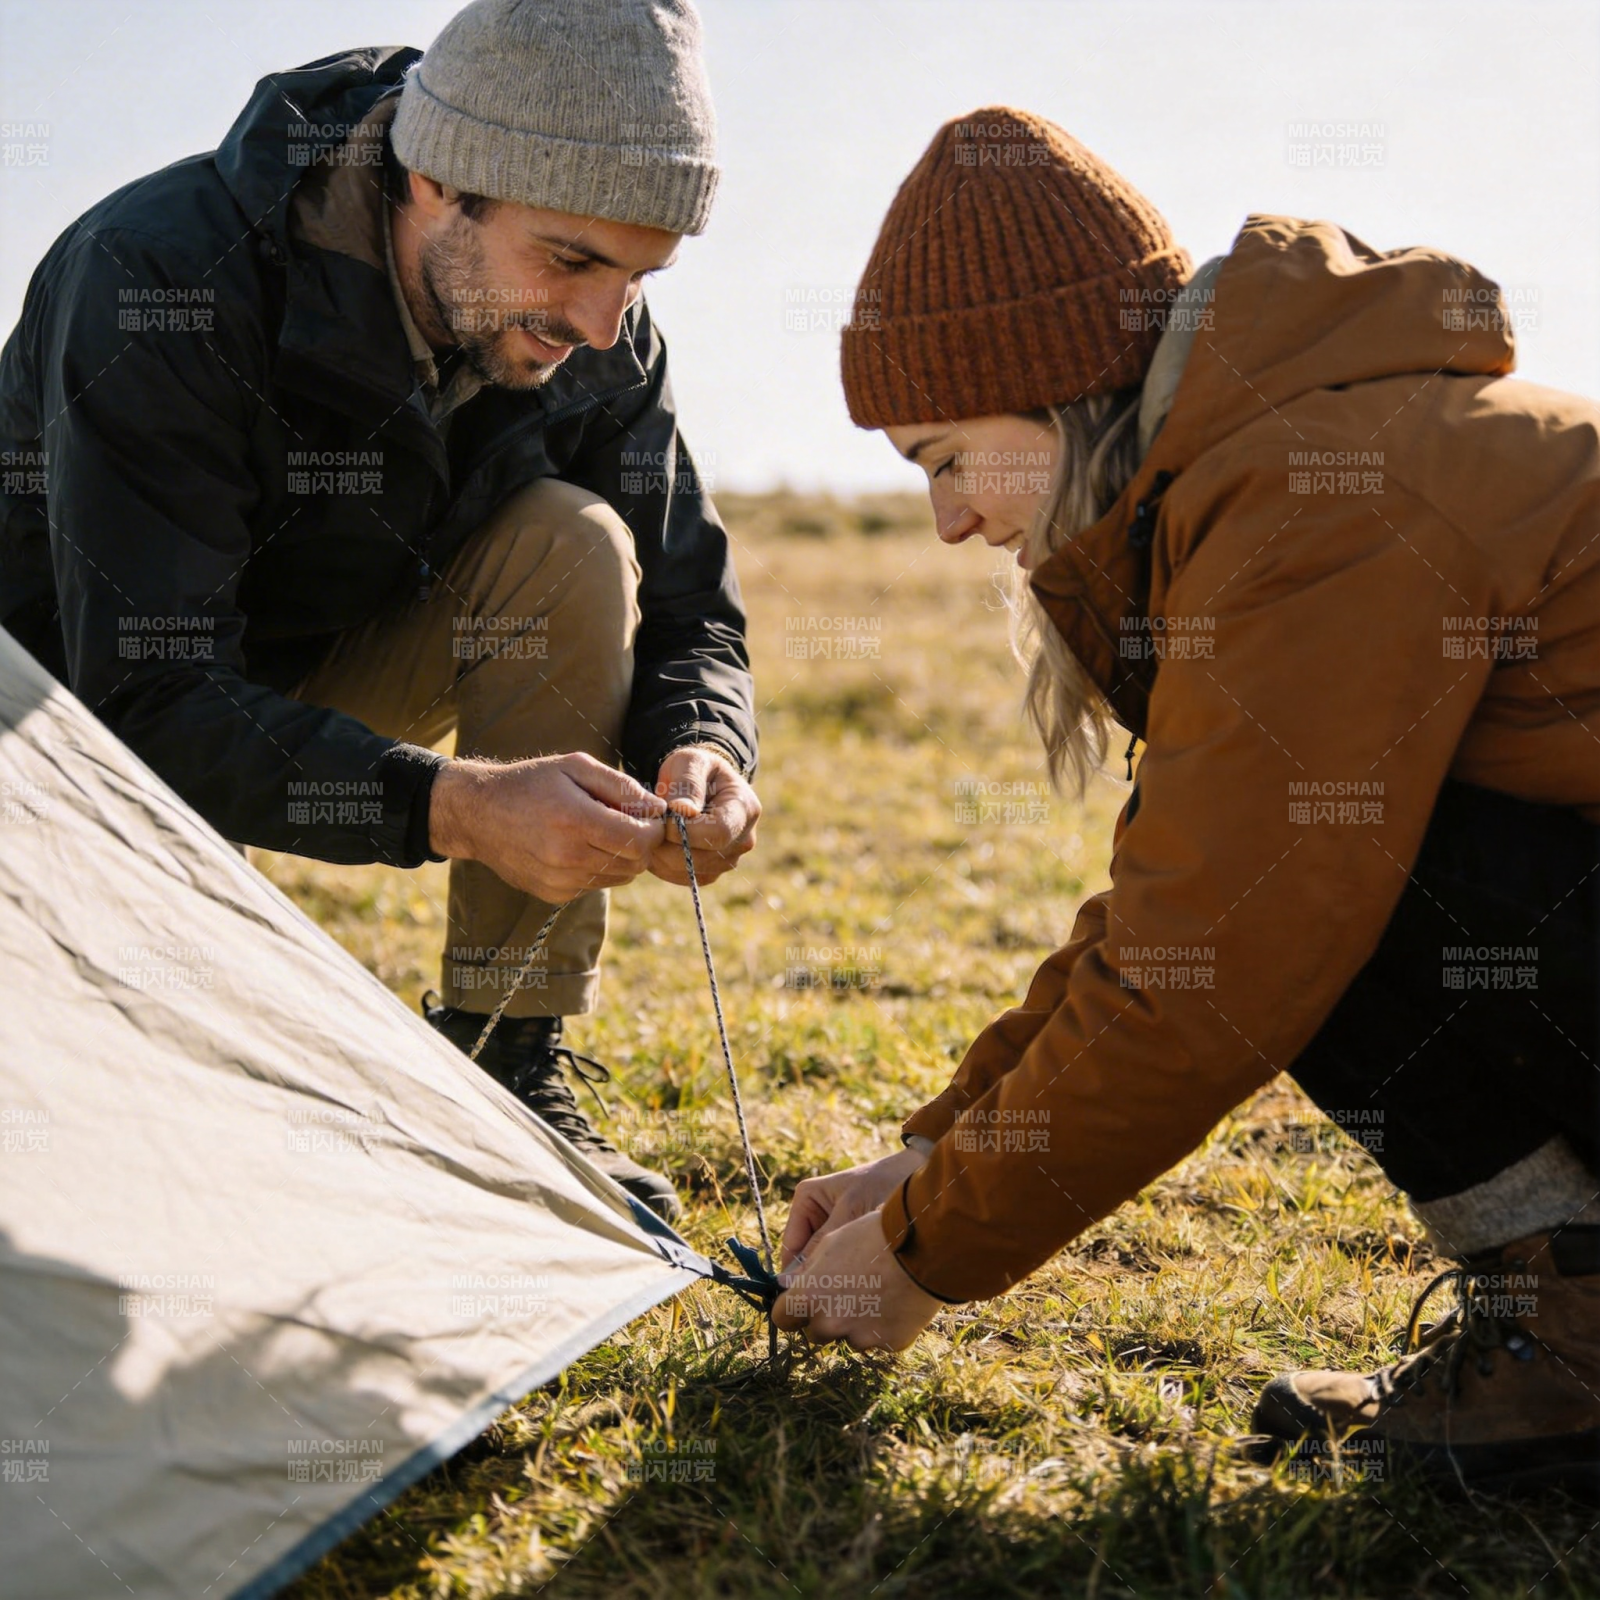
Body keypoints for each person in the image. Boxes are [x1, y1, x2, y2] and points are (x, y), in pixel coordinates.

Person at [774, 105, 1600, 1494]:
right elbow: (1180, 893)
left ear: (1055, 391)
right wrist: (922, 1158)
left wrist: (923, 1261)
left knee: (1328, 899)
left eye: (946, 458)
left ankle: (1575, 1356)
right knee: (1320, 877)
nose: (951, 523)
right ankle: (1568, 1322)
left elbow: (1206, 957)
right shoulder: (1280, 456)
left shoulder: (1322, 497)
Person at [0, 0, 763, 1221]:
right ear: (434, 176)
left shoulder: (600, 337)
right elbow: (143, 696)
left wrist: (704, 744)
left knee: (574, 543)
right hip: (64, 742)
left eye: (640, 275)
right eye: (570, 260)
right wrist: (453, 807)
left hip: (298, 680)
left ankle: (503, 1061)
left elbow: (689, 603)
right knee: (140, 1149)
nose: (599, 325)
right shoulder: (158, 276)